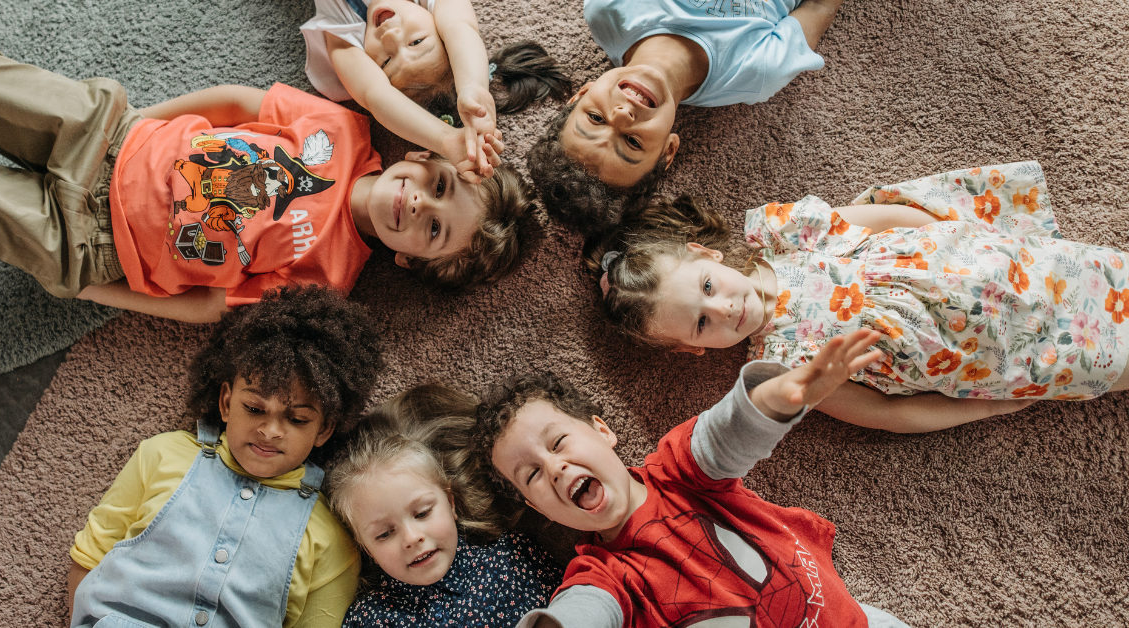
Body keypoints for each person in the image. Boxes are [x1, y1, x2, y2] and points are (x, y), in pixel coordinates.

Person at [0, 26, 536, 323]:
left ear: (408, 261)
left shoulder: (328, 281)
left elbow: (212, 305)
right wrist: (138, 121)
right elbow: (238, 104)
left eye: (432, 232)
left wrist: (86, 286)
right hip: (106, 138)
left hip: (90, 246)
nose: (417, 207)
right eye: (439, 189)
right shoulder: (343, 133)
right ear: (422, 157)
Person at [588, 162, 1129, 432]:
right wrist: (990, 405)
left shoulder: (791, 234)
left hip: (998, 267)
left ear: (706, 255)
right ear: (691, 350)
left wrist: (964, 241)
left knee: (1104, 277)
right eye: (702, 324)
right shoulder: (787, 371)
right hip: (992, 356)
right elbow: (891, 413)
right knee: (1108, 360)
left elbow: (893, 221)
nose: (725, 308)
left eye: (708, 288)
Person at [473, 330, 911, 628]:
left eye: (558, 443)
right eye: (531, 474)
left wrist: (777, 397)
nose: (554, 468)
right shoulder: (603, 575)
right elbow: (585, 608)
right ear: (535, 506)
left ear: (602, 431)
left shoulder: (678, 468)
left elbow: (725, 434)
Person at [66, 284, 385, 628]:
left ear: (324, 430)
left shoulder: (330, 536)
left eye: (296, 419)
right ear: (226, 402)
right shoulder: (162, 455)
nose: (270, 430)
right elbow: (89, 557)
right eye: (253, 408)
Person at [526, 0, 844, 235]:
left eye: (595, 119)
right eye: (632, 142)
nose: (622, 115)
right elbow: (819, 6)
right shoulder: (755, 73)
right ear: (668, 150)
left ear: (581, 94)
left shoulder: (609, 9)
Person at [325, 384, 563, 627]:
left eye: (423, 513)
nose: (412, 538)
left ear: (451, 503)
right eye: (384, 533)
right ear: (366, 549)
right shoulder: (369, 618)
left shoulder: (514, 559)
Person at [300, 0, 571, 180]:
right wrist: (474, 88)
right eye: (416, 42)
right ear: (437, 24)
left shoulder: (345, 27)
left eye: (386, 61)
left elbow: (374, 95)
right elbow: (460, 26)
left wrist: (444, 140)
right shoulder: (429, 5)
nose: (390, 36)